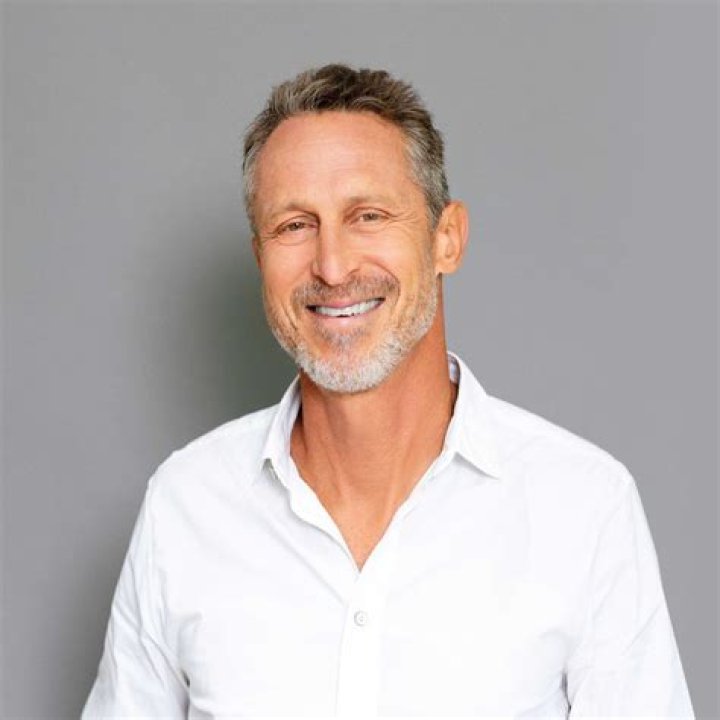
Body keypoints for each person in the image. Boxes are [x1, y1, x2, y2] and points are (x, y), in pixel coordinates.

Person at [83, 64, 693, 718]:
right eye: (294, 225)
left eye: (368, 216)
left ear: (446, 239)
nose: (332, 266)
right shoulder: (185, 506)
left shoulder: (583, 507)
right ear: (261, 259)